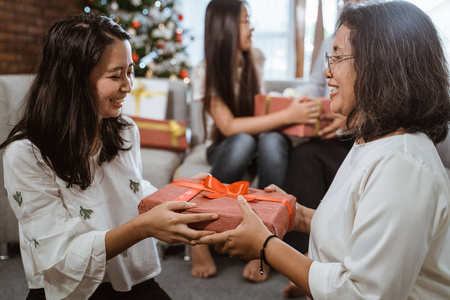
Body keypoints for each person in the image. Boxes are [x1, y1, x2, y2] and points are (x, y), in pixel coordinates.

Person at [194, 1, 450, 299]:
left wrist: (266, 247)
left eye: (338, 57)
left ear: (379, 65)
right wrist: (298, 215)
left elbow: (362, 294)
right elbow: (355, 231)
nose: (327, 72)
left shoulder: (403, 166)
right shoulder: (372, 141)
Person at [0, 13, 219, 300]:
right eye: (116, 75)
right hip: (69, 291)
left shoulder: (125, 129)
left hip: (128, 278)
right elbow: (60, 256)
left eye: (130, 71)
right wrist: (143, 227)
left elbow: (133, 189)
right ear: (74, 81)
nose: (128, 86)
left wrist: (182, 194)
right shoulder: (24, 154)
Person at [190, 0, 321, 282]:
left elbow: (263, 112)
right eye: (245, 21)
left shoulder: (256, 59)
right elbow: (228, 125)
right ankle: (198, 237)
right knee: (243, 141)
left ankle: (265, 240)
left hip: (257, 142)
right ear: (225, 28)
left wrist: (291, 112)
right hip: (227, 145)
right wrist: (289, 114)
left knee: (272, 141)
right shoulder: (205, 70)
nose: (252, 28)